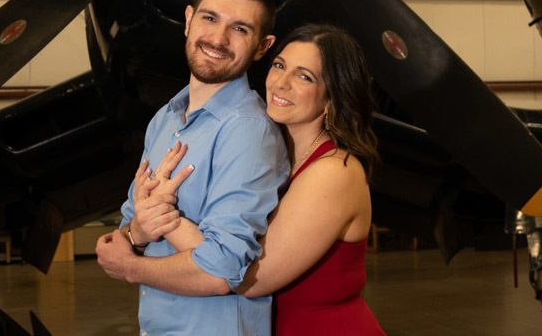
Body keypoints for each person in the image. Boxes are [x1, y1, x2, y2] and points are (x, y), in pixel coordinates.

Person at [110, 23, 384, 335]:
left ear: (333, 96)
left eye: (304, 76)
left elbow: (250, 278)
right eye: (280, 65)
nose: (281, 82)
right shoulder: (267, 148)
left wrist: (163, 213)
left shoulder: (335, 171)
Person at [96, 0, 290, 336]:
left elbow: (221, 271)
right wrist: (138, 230)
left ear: (262, 46)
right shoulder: (164, 120)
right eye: (209, 17)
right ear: (188, 20)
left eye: (240, 28)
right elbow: (124, 232)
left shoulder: (248, 132)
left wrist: (143, 250)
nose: (218, 38)